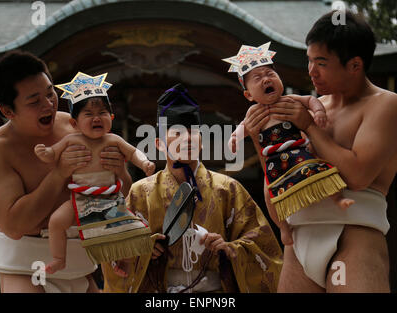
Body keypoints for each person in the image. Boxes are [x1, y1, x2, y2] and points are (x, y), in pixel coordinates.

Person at [243, 11, 397, 292]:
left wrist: (308, 125)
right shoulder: (312, 106)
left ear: (355, 65)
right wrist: (262, 144)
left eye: (321, 63)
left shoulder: (386, 105)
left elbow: (357, 176)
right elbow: (279, 189)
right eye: (309, 60)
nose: (311, 71)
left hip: (353, 238)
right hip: (298, 242)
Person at [101, 83, 283, 293]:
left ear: (202, 141)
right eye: (177, 133)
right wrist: (143, 249)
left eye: (192, 132)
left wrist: (228, 249)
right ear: (159, 144)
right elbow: (115, 253)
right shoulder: (141, 193)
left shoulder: (229, 189)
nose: (186, 138)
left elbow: (264, 248)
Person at [0, 51, 132, 292]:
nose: (48, 104)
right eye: (34, 101)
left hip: (81, 263)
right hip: (25, 268)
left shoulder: (75, 126)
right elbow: (14, 226)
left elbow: (114, 191)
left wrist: (119, 172)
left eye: (50, 93)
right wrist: (59, 174)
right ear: (8, 111)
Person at [223, 42, 354, 246]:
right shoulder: (253, 113)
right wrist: (234, 139)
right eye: (258, 78)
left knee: (321, 169)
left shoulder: (290, 100)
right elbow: (243, 128)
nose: (266, 79)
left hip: (298, 150)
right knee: (269, 193)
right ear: (248, 95)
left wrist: (318, 112)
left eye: (270, 74)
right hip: (273, 160)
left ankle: (338, 198)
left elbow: (311, 101)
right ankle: (284, 228)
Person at [34, 72, 155, 275]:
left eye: (102, 113)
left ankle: (119, 261)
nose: (96, 118)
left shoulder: (114, 140)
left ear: (111, 118)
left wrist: (144, 163)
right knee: (56, 221)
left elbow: (133, 152)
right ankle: (58, 258)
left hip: (109, 198)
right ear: (74, 123)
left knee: (121, 231)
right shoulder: (72, 141)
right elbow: (52, 154)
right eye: (89, 114)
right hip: (80, 197)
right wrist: (44, 153)